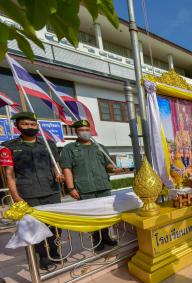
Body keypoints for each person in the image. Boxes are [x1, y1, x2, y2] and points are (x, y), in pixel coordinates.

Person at [0, 112, 64, 270]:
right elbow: (9, 174)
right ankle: (43, 256)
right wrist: (15, 196)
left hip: (51, 192)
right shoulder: (9, 147)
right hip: (28, 194)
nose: (30, 127)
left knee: (55, 225)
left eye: (33, 125)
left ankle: (54, 251)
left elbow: (54, 164)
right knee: (35, 228)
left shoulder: (48, 144)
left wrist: (58, 173)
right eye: (25, 124)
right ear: (18, 127)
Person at [60, 120, 124, 250]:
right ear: (76, 132)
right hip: (85, 189)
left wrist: (114, 168)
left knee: (105, 214)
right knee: (92, 216)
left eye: (87, 129)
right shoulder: (70, 148)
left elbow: (107, 165)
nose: (85, 132)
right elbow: (67, 169)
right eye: (82, 130)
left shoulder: (99, 147)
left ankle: (106, 237)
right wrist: (70, 188)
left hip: (103, 186)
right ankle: (97, 241)